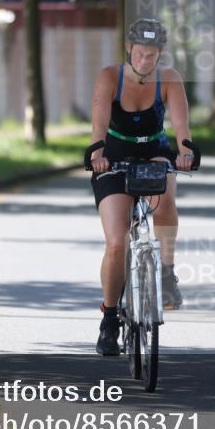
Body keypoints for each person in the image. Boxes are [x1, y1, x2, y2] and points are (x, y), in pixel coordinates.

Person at [87, 18, 196, 356]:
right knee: (117, 243)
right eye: (140, 53)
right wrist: (97, 152)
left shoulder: (170, 79)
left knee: (164, 200)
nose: (146, 61)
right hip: (115, 158)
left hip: (154, 153)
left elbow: (180, 124)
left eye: (153, 55)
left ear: (160, 54)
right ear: (128, 49)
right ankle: (109, 318)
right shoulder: (109, 77)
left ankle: (165, 271)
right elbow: (99, 121)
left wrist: (186, 149)